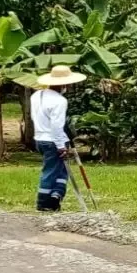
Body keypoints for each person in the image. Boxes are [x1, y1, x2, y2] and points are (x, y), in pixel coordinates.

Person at [31, 65, 86, 212]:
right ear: (64, 84)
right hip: (53, 140)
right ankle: (43, 203)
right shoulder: (60, 101)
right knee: (50, 170)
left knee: (62, 171)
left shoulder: (35, 95)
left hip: (40, 138)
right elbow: (56, 126)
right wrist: (61, 145)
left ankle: (56, 196)